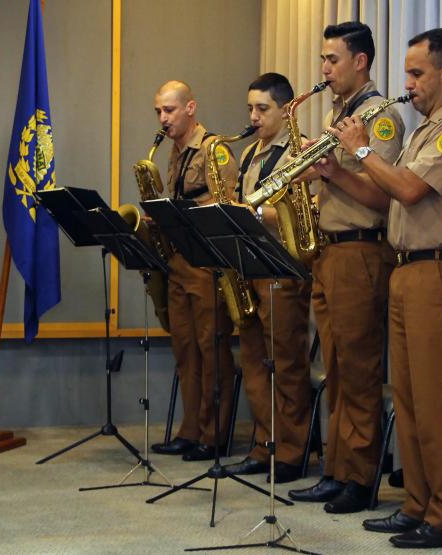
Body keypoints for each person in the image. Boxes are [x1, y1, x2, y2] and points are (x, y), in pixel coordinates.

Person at [329, 28, 442, 548]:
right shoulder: (426, 128)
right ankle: (418, 503)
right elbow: (390, 196)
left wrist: (358, 152)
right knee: (409, 398)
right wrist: (337, 168)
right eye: (407, 73)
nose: (408, 84)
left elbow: (410, 190)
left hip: (439, 272)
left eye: (417, 73)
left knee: (436, 399)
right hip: (408, 270)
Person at [286, 21, 404, 514]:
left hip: (361, 250)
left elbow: (382, 196)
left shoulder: (378, 118)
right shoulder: (341, 113)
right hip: (330, 251)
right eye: (321, 59)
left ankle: (360, 478)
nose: (323, 69)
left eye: (332, 59)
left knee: (358, 370)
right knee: (334, 367)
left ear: (361, 62)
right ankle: (337, 469)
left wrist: (332, 172)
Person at [220, 73, 312, 485]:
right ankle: (264, 444)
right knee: (256, 364)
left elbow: (302, 209)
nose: (253, 117)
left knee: (287, 364)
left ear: (286, 109)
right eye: (250, 109)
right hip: (250, 267)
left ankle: (291, 452)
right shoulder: (252, 152)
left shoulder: (299, 150)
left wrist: (250, 212)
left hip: (282, 270)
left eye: (263, 109)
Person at [149, 80, 239, 461]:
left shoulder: (213, 149)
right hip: (179, 260)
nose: (163, 118)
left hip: (207, 262)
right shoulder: (174, 150)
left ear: (190, 108)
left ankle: (214, 434)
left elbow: (226, 200)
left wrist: (182, 210)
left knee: (211, 347)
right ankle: (191, 429)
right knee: (185, 350)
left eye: (169, 110)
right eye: (158, 112)